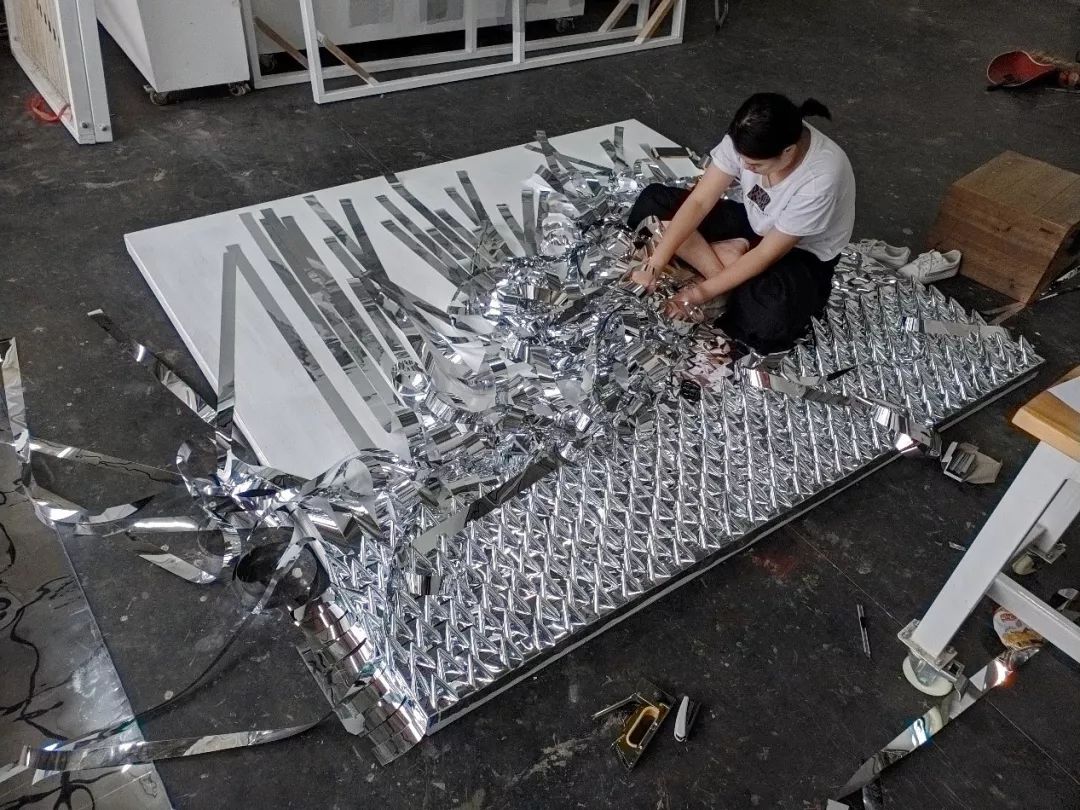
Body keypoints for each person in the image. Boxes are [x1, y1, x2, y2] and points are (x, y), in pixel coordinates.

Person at [626, 93, 856, 353]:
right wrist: (655, 264)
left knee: (769, 318)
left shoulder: (820, 179)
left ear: (788, 152)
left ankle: (717, 262)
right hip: (753, 220)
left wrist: (698, 294)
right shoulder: (747, 135)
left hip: (799, 252)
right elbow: (700, 201)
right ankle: (726, 261)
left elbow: (766, 253)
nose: (745, 167)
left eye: (755, 165)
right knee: (652, 202)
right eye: (741, 159)